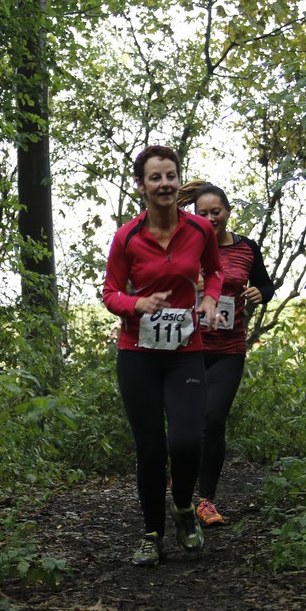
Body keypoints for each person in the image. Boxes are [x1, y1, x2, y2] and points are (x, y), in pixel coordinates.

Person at [103, 146, 225, 567]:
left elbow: (215, 272)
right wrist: (135, 304)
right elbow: (110, 293)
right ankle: (152, 534)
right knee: (151, 449)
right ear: (141, 185)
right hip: (137, 354)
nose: (164, 184)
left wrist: (209, 300)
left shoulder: (200, 230)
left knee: (187, 440)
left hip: (185, 352)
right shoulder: (127, 237)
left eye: (170, 176)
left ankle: (184, 507)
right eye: (155, 178)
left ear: (178, 180)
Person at [178, 180, 275, 527]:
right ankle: (181, 476)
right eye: (202, 213)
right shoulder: (185, 245)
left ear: (228, 211)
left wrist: (260, 293)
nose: (210, 218)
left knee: (213, 420)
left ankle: (206, 500)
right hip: (187, 348)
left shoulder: (247, 248)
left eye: (215, 212)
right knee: (187, 423)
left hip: (228, 350)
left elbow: (266, 284)